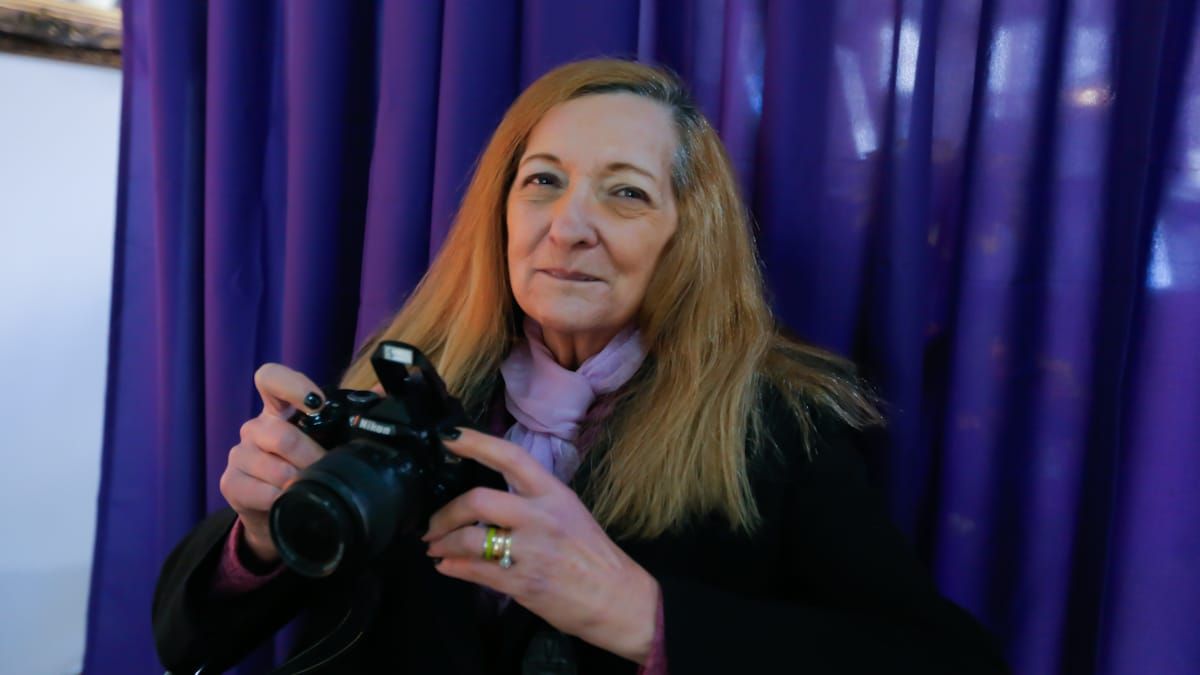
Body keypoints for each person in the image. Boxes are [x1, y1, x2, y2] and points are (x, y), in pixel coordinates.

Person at [153, 58, 1008, 674]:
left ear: (687, 235)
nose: (568, 226)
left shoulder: (779, 425)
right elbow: (187, 640)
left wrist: (645, 615)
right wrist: (257, 538)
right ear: (503, 212)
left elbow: (944, 660)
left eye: (626, 192)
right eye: (543, 182)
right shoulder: (407, 383)